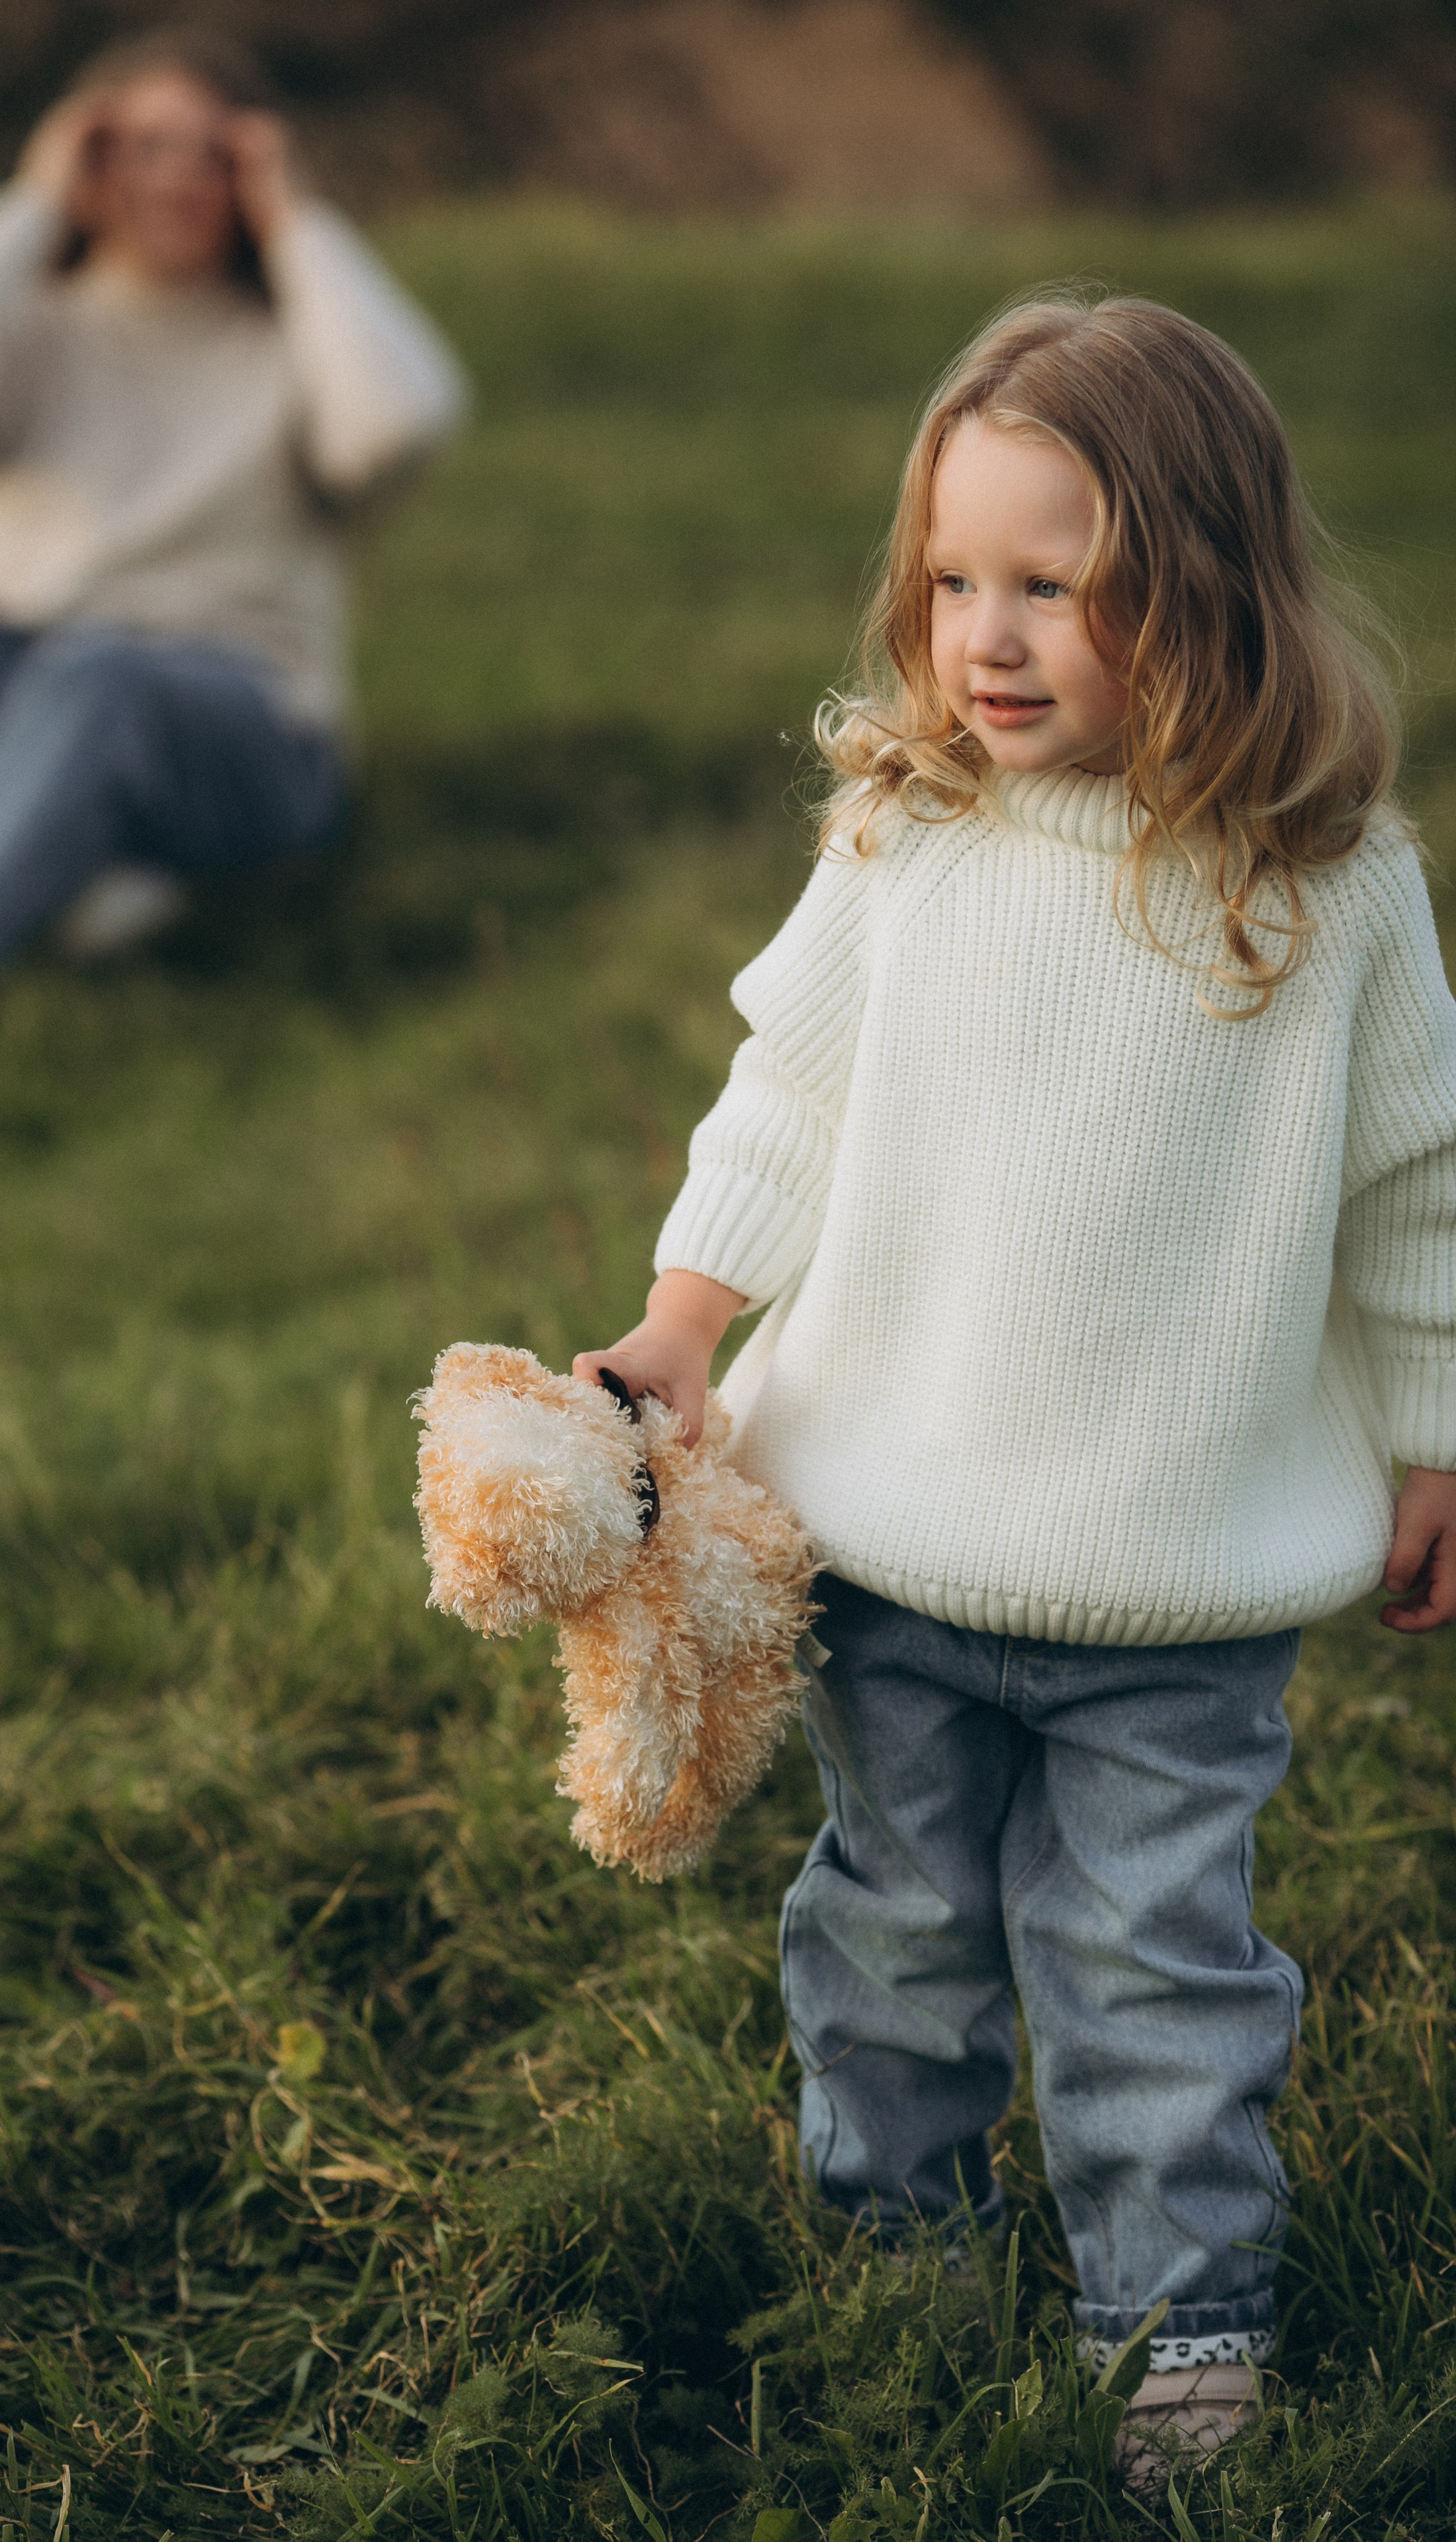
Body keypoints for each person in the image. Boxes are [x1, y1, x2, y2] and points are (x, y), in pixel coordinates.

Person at [574, 293, 1456, 2480]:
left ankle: (1182, 2327)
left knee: (1154, 1966)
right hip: (895, 1544)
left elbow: (1419, 1192)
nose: (987, 634)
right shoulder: (905, 833)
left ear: (1207, 587)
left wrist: (1441, 1431)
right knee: (889, 1933)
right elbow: (783, 1105)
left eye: (1054, 586)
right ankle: (901, 2270)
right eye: (953, 581)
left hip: (1176, 1588)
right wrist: (683, 1328)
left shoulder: (1323, 885)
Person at [0, 28, 468, 1098]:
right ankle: (75, 875)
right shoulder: (37, 326)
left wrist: (299, 222)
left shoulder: (294, 341)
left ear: (254, 170)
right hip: (42, 684)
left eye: (211, 154)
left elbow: (404, 423)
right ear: (87, 161)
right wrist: (33, 203)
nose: (176, 178)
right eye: (140, 146)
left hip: (243, 731)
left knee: (103, 671)